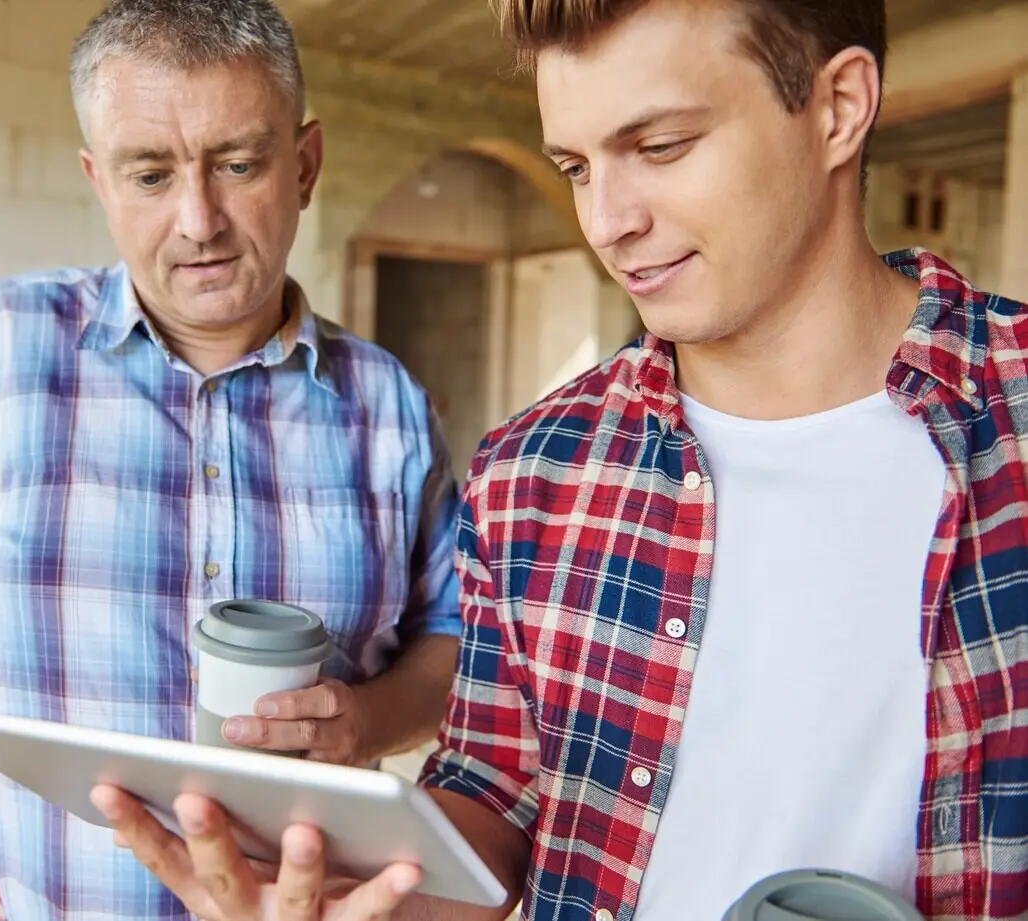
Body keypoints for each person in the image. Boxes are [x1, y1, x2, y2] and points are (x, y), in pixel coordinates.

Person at [92, 1, 1028, 920]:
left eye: (660, 147)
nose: (607, 221)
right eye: (577, 167)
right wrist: (347, 901)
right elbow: (493, 794)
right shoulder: (528, 471)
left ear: (838, 108)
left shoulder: (1013, 413)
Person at [0, 2, 463, 920]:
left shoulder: (391, 408)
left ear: (304, 165)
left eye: (238, 164)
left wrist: (369, 722)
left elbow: (458, 639)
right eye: (150, 174)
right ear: (99, 182)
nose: (199, 220)